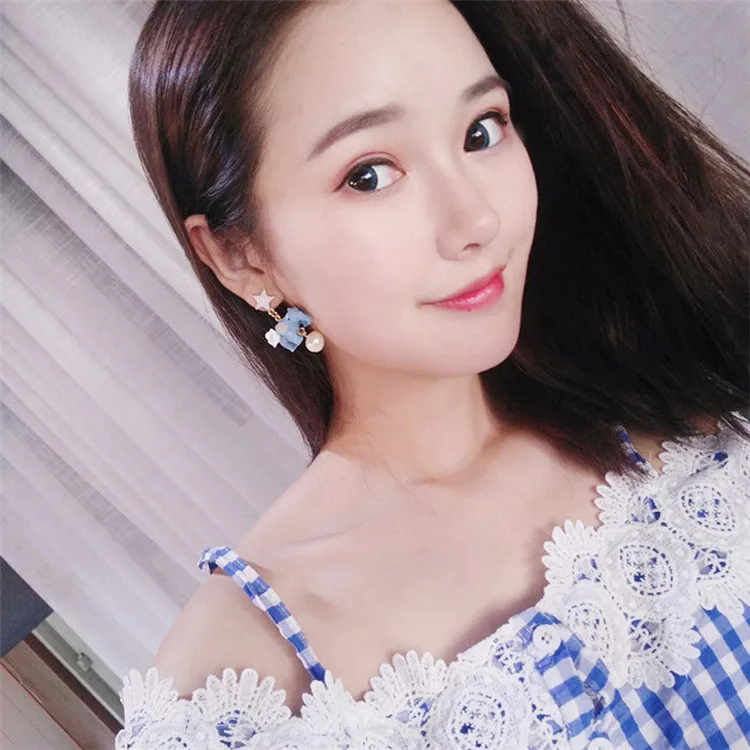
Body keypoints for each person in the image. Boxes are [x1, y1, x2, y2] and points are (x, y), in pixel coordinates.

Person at [116, 0, 750, 747]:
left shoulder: (684, 408)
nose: (475, 220)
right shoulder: (241, 686)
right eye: (370, 174)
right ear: (240, 255)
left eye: (482, 130)